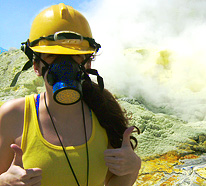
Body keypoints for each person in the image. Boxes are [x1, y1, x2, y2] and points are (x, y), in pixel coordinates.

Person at [0, 3, 141, 186]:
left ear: (87, 64)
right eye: (52, 55)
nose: (65, 65)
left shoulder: (103, 112)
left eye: (74, 56)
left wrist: (133, 167)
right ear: (36, 66)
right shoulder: (13, 115)